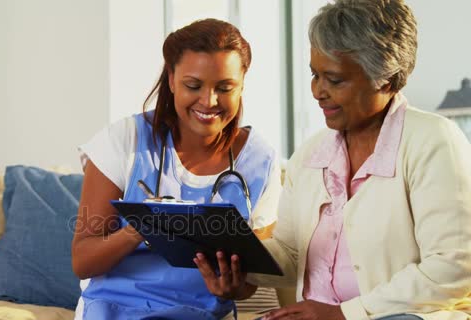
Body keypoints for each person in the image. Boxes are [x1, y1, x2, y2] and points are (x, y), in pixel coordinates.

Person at [195, 1, 471, 319]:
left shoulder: (434, 141)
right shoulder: (311, 156)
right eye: (315, 75)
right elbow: (289, 254)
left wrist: (342, 313)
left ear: (386, 79)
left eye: (335, 80)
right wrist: (235, 258)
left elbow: (453, 266)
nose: (317, 91)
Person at [71, 18, 282, 319]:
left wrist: (232, 288)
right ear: (171, 79)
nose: (209, 101)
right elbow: (82, 260)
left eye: (225, 87)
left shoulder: (261, 162)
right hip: (112, 311)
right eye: (193, 85)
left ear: (242, 84)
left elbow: (251, 279)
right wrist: (143, 227)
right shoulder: (124, 141)